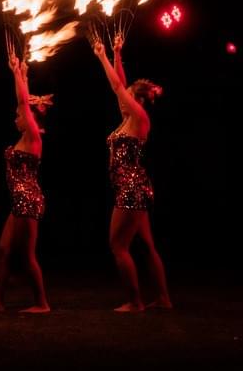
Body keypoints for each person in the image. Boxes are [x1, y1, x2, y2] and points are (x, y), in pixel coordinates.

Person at [92, 36, 172, 312]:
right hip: (135, 187)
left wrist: (101, 56)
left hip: (131, 189)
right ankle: (163, 298)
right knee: (148, 245)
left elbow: (117, 86)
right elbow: (119, 85)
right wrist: (116, 53)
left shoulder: (139, 117)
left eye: (127, 95)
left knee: (117, 245)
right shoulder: (128, 118)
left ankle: (135, 301)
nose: (120, 98)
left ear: (136, 99)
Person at [0, 52, 50, 313]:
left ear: (30, 118)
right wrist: (24, 75)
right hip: (18, 200)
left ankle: (42, 304)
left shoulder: (33, 138)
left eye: (18, 115)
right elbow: (22, 101)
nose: (15, 118)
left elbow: (22, 100)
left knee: (27, 255)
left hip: (28, 199)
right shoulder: (25, 138)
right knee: (4, 249)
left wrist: (16, 72)